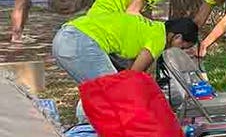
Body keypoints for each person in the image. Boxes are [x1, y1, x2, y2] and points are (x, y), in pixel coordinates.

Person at [52, 13, 198, 84]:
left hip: (65, 36)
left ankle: (90, 127)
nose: (181, 51)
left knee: (95, 88)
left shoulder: (154, 28)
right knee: (113, 90)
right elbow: (133, 75)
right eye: (183, 48)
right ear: (177, 37)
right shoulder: (159, 39)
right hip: (80, 42)